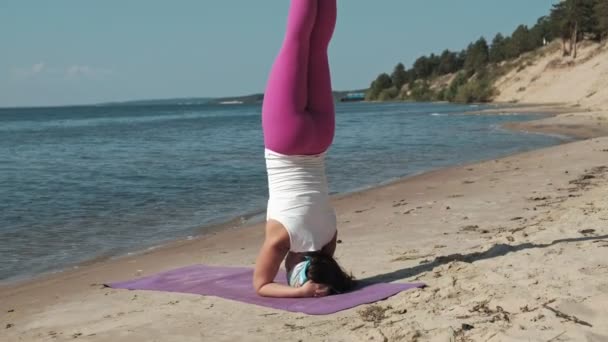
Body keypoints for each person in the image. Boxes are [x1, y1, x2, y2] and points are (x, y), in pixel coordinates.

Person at [253, 0, 355, 298]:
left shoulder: (329, 238)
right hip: (286, 140)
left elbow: (323, 265)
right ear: (294, 268)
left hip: (321, 140)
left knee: (318, 46)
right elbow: (261, 286)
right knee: (297, 41)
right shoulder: (281, 240)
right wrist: (301, 292)